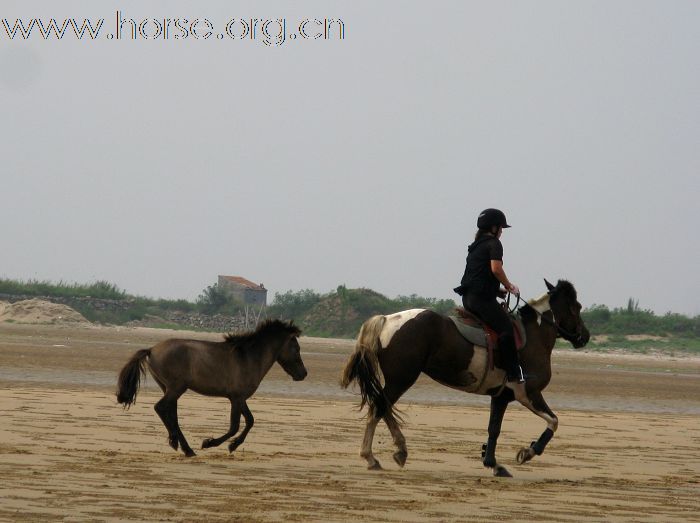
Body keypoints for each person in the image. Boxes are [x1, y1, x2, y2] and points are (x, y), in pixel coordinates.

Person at [454, 208, 527, 401]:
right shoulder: (494, 244)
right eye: (501, 228)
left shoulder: (476, 245)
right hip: (481, 300)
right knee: (506, 329)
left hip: (469, 298)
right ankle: (514, 374)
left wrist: (497, 291)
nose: (502, 231)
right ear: (493, 228)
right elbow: (496, 269)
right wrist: (509, 285)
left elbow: (477, 276)